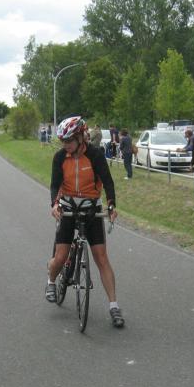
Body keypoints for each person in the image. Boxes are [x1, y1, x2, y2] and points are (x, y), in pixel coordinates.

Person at [46, 116, 124, 328]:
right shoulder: (60, 157)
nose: (66, 145)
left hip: (91, 211)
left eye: (69, 141)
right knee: (60, 257)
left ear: (81, 137)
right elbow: (55, 185)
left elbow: (108, 182)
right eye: (63, 141)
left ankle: (114, 306)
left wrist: (111, 205)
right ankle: (51, 280)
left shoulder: (95, 155)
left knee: (101, 258)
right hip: (68, 209)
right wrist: (55, 205)